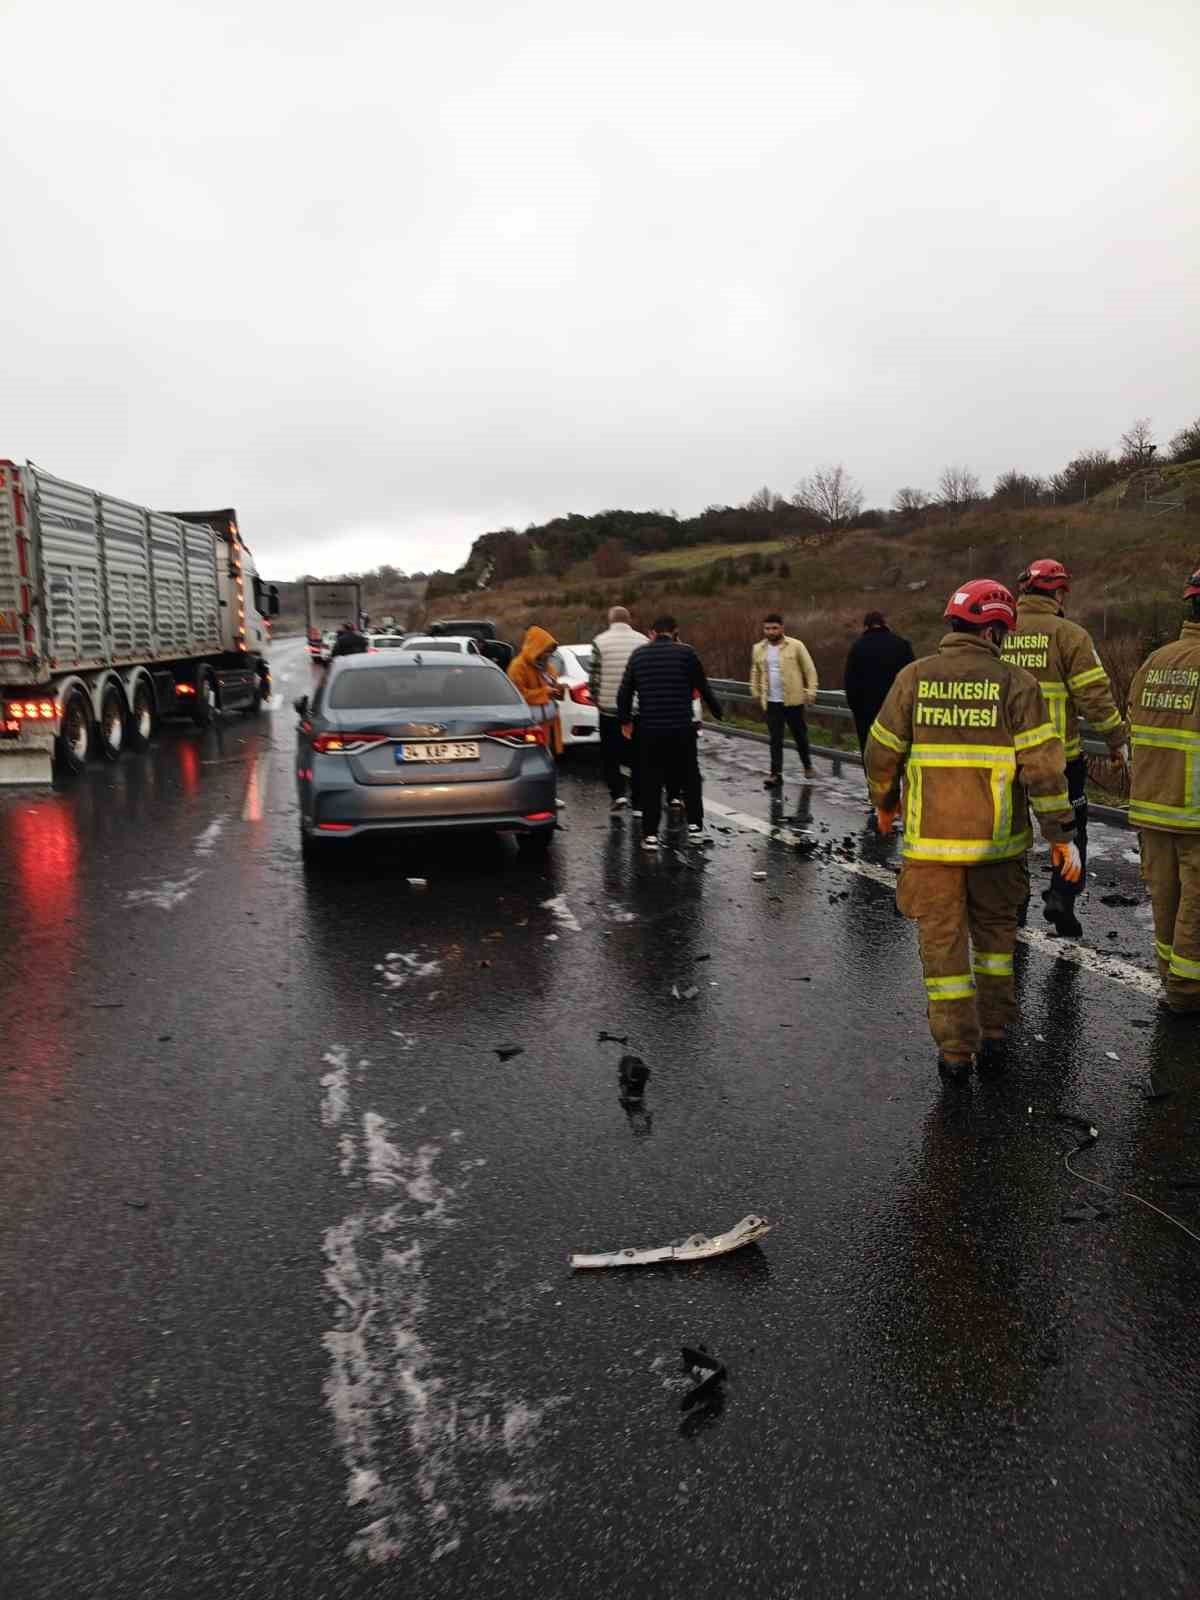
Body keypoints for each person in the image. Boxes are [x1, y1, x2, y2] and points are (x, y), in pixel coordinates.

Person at [866, 579, 1078, 1084]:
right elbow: (1045, 770)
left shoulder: (913, 678)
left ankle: (955, 1055)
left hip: (931, 851)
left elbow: (881, 752)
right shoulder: (1017, 684)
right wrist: (1060, 835)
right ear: (998, 629)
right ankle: (997, 1035)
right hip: (997, 850)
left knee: (943, 955)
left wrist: (885, 803)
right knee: (995, 947)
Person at [1001, 559, 1128, 939]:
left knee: (1012, 831)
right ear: (1058, 593)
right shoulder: (1070, 635)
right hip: (1059, 757)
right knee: (1069, 831)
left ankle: (1015, 905)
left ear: (1023, 592)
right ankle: (1062, 898)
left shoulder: (999, 633)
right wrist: (1116, 739)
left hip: (1005, 755)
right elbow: (1094, 697)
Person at [1127, 567, 1200, 1014]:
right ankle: (1187, 994)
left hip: (1152, 806)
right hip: (1195, 812)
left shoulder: (1155, 662)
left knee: (1167, 902)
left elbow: (1134, 720)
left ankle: (1171, 979)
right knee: (1195, 907)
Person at [617, 615, 723, 850]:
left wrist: (625, 721)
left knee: (651, 780)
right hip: (681, 728)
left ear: (651, 633)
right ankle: (695, 828)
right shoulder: (687, 653)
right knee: (690, 778)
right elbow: (703, 686)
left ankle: (651, 835)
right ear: (675, 632)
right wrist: (717, 710)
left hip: (650, 729)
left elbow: (624, 693)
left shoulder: (639, 655)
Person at [750, 614, 818, 787]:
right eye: (767, 628)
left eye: (774, 628)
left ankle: (807, 765)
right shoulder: (758, 648)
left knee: (799, 735)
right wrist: (755, 691)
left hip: (793, 700)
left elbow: (809, 669)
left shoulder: (795, 646)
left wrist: (811, 691)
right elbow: (755, 671)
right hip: (772, 701)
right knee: (775, 738)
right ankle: (775, 774)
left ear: (781, 628)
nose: (770, 632)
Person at [589, 606, 645, 812]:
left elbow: (594, 677)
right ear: (629, 620)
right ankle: (639, 803)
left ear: (610, 620)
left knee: (610, 755)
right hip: (638, 710)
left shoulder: (600, 641)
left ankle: (618, 793)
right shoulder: (643, 641)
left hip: (609, 710)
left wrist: (595, 699)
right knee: (639, 757)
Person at [843, 612, 915, 753]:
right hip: (896, 711)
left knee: (869, 753)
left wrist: (856, 710)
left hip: (866, 713)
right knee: (896, 753)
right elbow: (912, 678)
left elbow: (850, 683)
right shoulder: (902, 645)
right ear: (885, 623)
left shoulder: (857, 648)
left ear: (865, 627)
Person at [508, 625, 566, 756]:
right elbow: (518, 695)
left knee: (551, 758)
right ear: (536, 648)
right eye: (546, 651)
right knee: (534, 759)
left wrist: (559, 689)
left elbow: (554, 692)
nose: (548, 655)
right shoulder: (517, 667)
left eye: (550, 652)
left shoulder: (549, 667)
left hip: (551, 724)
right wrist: (546, 692)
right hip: (532, 726)